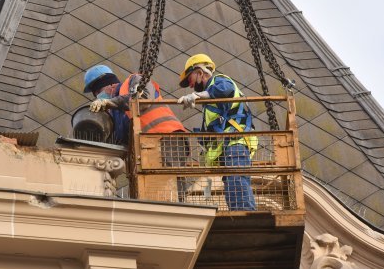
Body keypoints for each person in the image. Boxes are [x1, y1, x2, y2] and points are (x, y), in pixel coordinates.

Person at [177, 54, 257, 211]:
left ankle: (244, 214)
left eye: (190, 78)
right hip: (230, 146)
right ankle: (240, 212)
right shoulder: (209, 99)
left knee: (236, 181)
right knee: (232, 183)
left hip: (236, 142)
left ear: (200, 72)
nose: (191, 85)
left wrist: (198, 95)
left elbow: (224, 89)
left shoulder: (220, 80)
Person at [83, 65, 188, 169]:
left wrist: (110, 102)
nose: (97, 96)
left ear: (109, 84)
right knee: (157, 184)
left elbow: (143, 100)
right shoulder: (116, 112)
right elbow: (119, 140)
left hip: (166, 138)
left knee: (170, 180)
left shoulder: (134, 81)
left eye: (98, 92)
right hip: (147, 148)